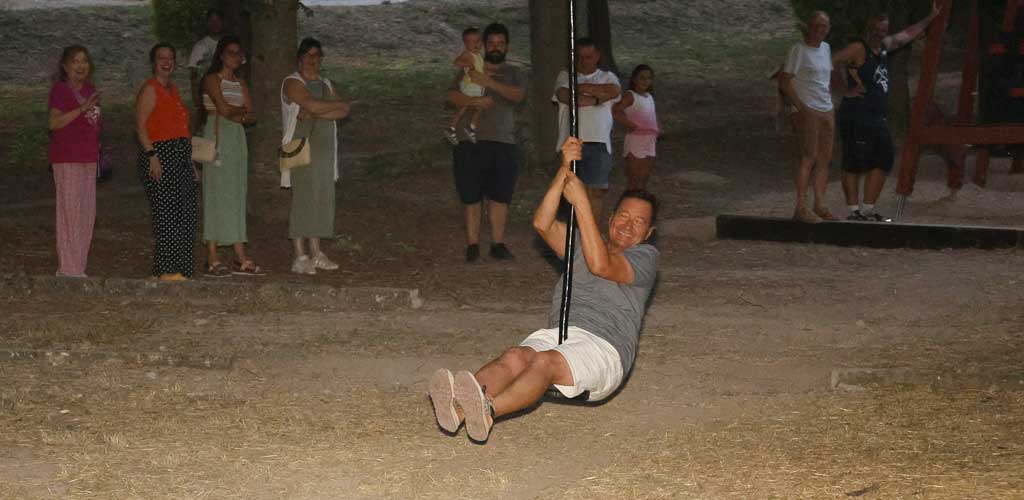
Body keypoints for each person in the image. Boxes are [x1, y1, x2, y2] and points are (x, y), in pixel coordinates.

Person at [429, 137, 660, 443]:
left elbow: (602, 266)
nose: (628, 226)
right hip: (561, 336)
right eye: (624, 216)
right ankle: (457, 410)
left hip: (605, 350)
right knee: (514, 357)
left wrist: (582, 204)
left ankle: (487, 411)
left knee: (543, 361)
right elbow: (543, 223)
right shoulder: (583, 242)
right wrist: (564, 169)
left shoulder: (646, 258)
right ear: (612, 219)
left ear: (649, 233)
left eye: (639, 222)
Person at [832, 2, 942, 222]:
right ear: (868, 26)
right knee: (854, 161)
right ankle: (854, 212)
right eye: (877, 28)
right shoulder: (858, 47)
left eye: (884, 29)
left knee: (884, 158)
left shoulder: (883, 47)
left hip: (876, 116)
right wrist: (844, 90)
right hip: (856, 113)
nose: (881, 33)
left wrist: (930, 18)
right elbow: (833, 61)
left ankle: (867, 210)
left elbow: (907, 35)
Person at [446, 22, 526, 262]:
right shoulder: (470, 66)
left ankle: (497, 243)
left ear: (507, 46)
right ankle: (472, 244)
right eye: (491, 43)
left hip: (503, 141)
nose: (496, 47)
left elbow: (517, 95)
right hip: (469, 141)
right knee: (470, 194)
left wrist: (489, 82)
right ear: (483, 44)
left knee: (500, 195)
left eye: (501, 43)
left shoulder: (515, 73)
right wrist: (475, 103)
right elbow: (452, 95)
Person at [280, 38, 350, 275]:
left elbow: (344, 109)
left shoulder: (326, 83)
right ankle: (299, 255)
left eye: (317, 55)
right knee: (303, 197)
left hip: (324, 147)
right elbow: (310, 103)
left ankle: (317, 252)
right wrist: (321, 108)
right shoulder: (292, 82)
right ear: (300, 57)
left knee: (322, 196)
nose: (313, 60)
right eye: (309, 55)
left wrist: (316, 111)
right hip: (300, 146)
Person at [199, 35, 262, 277]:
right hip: (218, 137)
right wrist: (241, 112)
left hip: (237, 138)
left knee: (236, 193)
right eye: (230, 52)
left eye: (239, 53)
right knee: (215, 192)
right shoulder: (211, 79)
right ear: (221, 54)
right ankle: (212, 256)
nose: (235, 57)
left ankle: (240, 256)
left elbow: (252, 114)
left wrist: (239, 115)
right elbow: (223, 109)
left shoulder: (241, 83)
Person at [135, 43, 198, 282]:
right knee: (167, 215)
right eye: (162, 57)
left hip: (181, 156)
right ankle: (165, 271)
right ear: (154, 61)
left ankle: (182, 270)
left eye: (171, 57)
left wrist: (190, 163)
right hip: (160, 156)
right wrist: (152, 156)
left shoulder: (173, 89)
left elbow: (181, 128)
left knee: (186, 214)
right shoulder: (150, 89)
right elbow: (140, 126)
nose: (167, 61)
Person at [552, 37, 621, 220]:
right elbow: (566, 96)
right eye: (579, 56)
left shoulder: (608, 77)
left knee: (596, 192)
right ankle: (570, 236)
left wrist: (581, 88)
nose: (583, 61)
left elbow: (614, 91)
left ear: (597, 56)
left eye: (588, 56)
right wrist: (597, 98)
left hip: (598, 143)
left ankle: (591, 237)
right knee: (569, 192)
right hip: (570, 143)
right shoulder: (565, 76)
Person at [48, 45, 101, 278]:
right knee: (70, 212)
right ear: (65, 67)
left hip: (88, 158)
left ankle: (79, 267)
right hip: (66, 158)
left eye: (85, 61)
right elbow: (53, 123)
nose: (81, 66)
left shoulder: (91, 89)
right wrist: (82, 108)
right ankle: (68, 270)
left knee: (87, 213)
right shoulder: (60, 90)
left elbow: (94, 125)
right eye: (75, 62)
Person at [778, 10, 836, 224]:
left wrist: (830, 105)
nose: (823, 29)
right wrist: (801, 108)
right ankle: (801, 206)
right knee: (808, 156)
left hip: (826, 108)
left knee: (824, 159)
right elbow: (784, 81)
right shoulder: (799, 50)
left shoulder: (826, 48)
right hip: (807, 109)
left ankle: (820, 204)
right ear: (810, 27)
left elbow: (825, 79)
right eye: (819, 25)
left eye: (826, 25)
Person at [612, 64, 659, 191]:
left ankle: (641, 205)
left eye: (649, 78)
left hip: (649, 141)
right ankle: (630, 204)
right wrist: (629, 124)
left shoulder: (649, 97)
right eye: (642, 78)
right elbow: (616, 111)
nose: (645, 81)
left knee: (644, 177)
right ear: (634, 79)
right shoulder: (630, 95)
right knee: (634, 178)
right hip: (635, 140)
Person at [444, 27, 485, 146]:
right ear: (466, 44)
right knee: (474, 107)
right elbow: (456, 62)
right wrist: (467, 65)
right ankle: (465, 128)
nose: (476, 44)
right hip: (470, 86)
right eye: (471, 42)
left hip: (476, 86)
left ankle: (457, 128)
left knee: (469, 108)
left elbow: (480, 69)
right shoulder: (467, 54)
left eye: (478, 41)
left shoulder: (478, 55)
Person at [188, 8, 225, 130]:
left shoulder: (230, 45)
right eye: (211, 21)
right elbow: (193, 75)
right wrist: (197, 101)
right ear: (207, 23)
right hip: (207, 95)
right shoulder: (200, 46)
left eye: (218, 20)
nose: (215, 24)